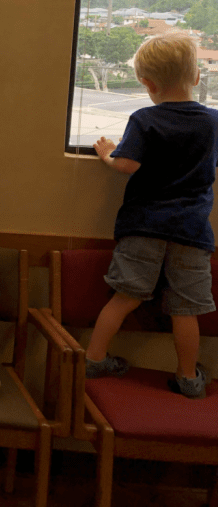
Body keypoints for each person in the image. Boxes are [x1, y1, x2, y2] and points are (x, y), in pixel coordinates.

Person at [88, 31, 216, 399]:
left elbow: (126, 165)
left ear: (146, 83)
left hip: (143, 226)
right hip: (191, 231)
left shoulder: (145, 119)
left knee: (124, 298)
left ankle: (94, 358)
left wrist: (107, 154)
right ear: (195, 77)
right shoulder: (213, 122)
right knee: (184, 310)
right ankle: (188, 377)